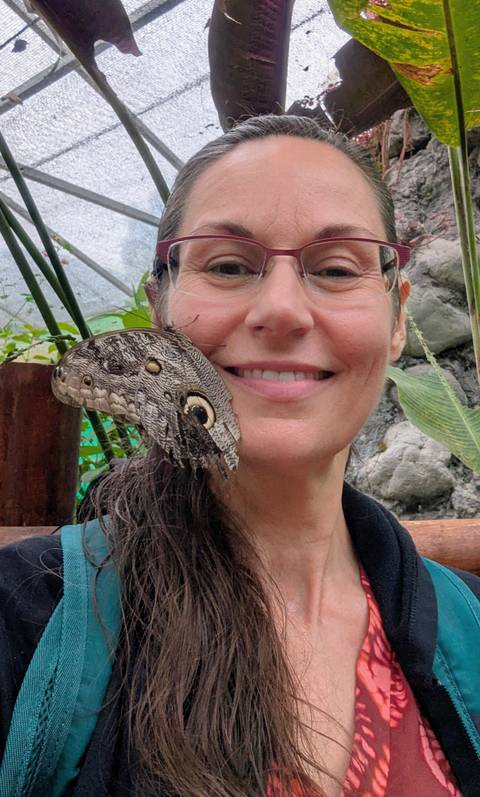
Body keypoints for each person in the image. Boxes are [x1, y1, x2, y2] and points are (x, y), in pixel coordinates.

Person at [0, 114, 479, 797]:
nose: (282, 310)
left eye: (336, 268)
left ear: (398, 316)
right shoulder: (25, 618)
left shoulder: (471, 634)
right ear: (160, 309)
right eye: (227, 265)